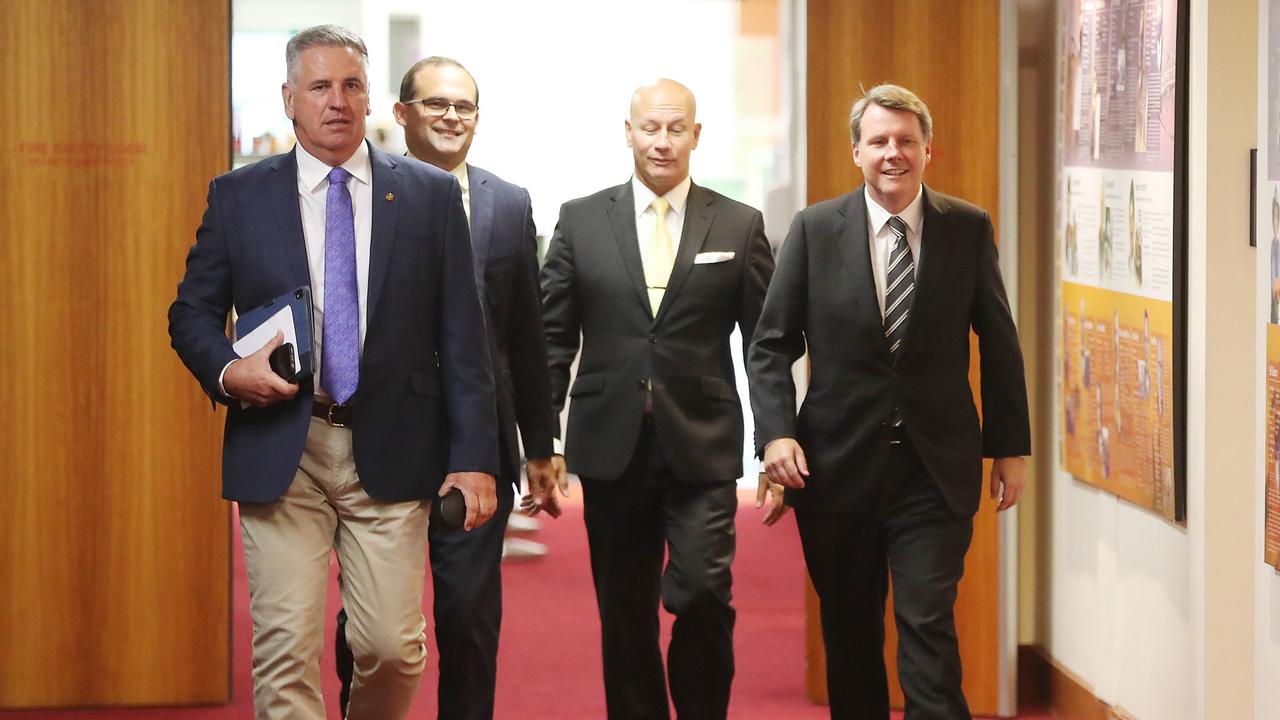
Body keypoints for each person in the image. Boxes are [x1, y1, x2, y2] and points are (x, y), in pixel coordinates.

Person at [168, 26, 499, 720]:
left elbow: (464, 338)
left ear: (370, 95)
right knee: (285, 651)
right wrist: (230, 371)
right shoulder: (239, 197)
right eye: (320, 87)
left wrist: (474, 458)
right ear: (291, 99)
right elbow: (191, 313)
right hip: (284, 443)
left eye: (351, 85)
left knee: (391, 647)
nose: (337, 102)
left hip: (393, 444)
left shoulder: (432, 197)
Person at [748, 84, 1030, 720]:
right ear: (857, 151)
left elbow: (1000, 340)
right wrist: (776, 435)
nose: (893, 153)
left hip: (934, 470)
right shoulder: (816, 229)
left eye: (906, 141)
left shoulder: (967, 226)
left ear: (929, 150)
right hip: (837, 471)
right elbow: (770, 344)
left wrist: (1009, 447)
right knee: (850, 639)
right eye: (879, 141)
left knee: (928, 626)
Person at [330, 56, 560, 720]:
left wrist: (540, 447)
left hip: (476, 447)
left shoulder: (508, 202)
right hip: (380, 442)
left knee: (467, 614)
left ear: (478, 120)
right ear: (401, 115)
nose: (451, 117)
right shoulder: (357, 193)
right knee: (370, 621)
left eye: (464, 107)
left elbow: (526, 337)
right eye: (436, 104)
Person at [540, 78, 777, 719]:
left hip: (702, 445)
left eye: (677, 128)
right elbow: (553, 339)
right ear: (629, 132)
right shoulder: (581, 219)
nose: (663, 141)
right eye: (651, 128)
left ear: (696, 135)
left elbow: (765, 344)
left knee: (701, 590)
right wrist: (543, 441)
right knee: (624, 613)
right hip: (609, 444)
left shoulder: (738, 223)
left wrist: (776, 436)